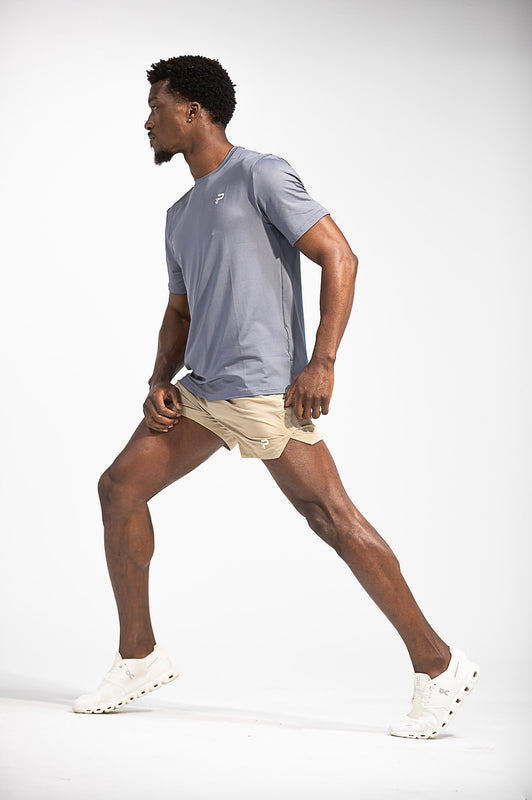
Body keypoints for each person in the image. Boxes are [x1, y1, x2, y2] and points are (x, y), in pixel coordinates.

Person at [72, 55, 479, 738]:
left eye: (156, 107)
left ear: (193, 111)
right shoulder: (179, 213)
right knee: (119, 488)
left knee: (331, 518)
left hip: (266, 388)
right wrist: (158, 381)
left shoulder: (260, 173)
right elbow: (179, 310)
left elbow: (339, 255)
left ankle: (438, 664)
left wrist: (322, 362)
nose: (147, 122)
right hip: (203, 391)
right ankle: (139, 656)